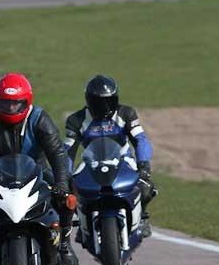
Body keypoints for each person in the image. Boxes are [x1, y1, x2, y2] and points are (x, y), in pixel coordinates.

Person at [0, 73, 79, 265]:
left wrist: (61, 183)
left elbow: (58, 153)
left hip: (39, 171)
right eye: (5, 103)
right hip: (0, 174)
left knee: (68, 195)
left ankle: (64, 243)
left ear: (27, 101)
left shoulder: (39, 118)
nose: (10, 108)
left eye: (16, 104)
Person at [65, 74, 155, 236]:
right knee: (70, 190)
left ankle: (141, 217)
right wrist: (65, 174)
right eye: (98, 102)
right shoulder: (76, 120)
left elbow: (140, 139)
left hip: (123, 160)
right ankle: (82, 221)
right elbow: (68, 150)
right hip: (90, 162)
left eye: (108, 101)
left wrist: (144, 165)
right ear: (89, 100)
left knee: (146, 186)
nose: (104, 106)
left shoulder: (126, 113)